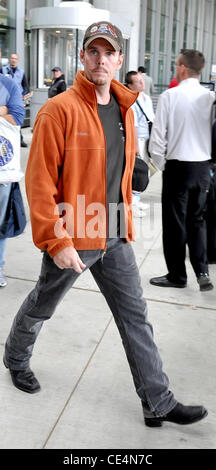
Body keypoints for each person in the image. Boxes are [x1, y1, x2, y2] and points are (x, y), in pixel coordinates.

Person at [3, 23, 207, 428]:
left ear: (118, 59)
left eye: (107, 53)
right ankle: (14, 357)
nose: (100, 59)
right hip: (73, 231)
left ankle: (157, 401)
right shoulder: (58, 109)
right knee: (42, 305)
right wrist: (54, 239)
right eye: (92, 52)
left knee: (135, 316)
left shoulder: (125, 107)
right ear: (83, 57)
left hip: (113, 230)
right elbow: (40, 181)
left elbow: (116, 164)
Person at [149, 49, 215, 292]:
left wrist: (162, 164)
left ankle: (177, 275)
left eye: (177, 64)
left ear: (183, 67)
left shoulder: (170, 96)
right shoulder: (210, 98)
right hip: (203, 167)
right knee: (197, 220)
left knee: (175, 222)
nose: (176, 67)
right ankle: (202, 272)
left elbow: (158, 138)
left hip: (178, 166)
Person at [0, 74, 25, 287]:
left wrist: (7, 112)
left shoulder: (7, 84)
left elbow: (18, 115)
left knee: (0, 223)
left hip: (2, 170)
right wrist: (2, 110)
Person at [125, 70, 155, 217]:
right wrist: (135, 145)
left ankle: (137, 198)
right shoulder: (130, 100)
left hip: (149, 138)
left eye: (142, 80)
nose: (142, 83)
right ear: (130, 85)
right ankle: (132, 202)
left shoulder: (146, 98)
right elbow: (133, 124)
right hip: (139, 139)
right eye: (138, 81)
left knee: (146, 170)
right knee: (136, 171)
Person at [3, 53, 28, 147]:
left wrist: (24, 101)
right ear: (10, 59)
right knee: (6, 119)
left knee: (17, 119)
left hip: (17, 100)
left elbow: (25, 87)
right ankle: (7, 140)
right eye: (12, 58)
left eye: (15, 58)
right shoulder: (4, 70)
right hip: (6, 99)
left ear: (17, 60)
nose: (13, 60)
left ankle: (20, 139)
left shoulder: (21, 72)